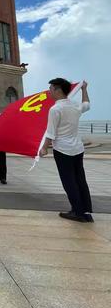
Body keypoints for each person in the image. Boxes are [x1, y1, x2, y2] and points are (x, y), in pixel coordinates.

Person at [40, 79, 93, 223]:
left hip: (63, 150)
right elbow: (87, 105)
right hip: (77, 148)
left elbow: (50, 132)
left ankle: (78, 212)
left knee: (69, 181)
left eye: (51, 88)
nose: (49, 91)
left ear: (58, 90)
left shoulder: (55, 109)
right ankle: (86, 211)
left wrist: (44, 147)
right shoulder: (74, 105)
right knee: (80, 180)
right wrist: (84, 90)